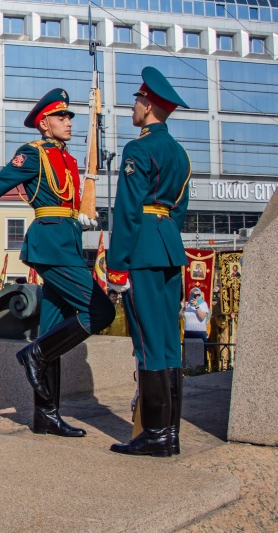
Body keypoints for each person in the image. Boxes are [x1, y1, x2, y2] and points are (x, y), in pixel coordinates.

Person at [0, 87, 114, 438]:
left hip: (68, 239)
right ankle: (33, 355)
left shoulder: (69, 159)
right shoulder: (33, 154)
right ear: (44, 124)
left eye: (70, 116)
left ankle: (47, 415)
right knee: (99, 311)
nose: (69, 122)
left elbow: (67, 198)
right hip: (50, 243)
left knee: (55, 327)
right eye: (61, 117)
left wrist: (82, 217)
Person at [106, 67, 192, 458]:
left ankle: (155, 434)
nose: (133, 106)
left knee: (147, 344)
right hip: (169, 246)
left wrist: (116, 265)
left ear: (149, 105)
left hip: (142, 247)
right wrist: (164, 236)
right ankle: (169, 433)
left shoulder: (137, 149)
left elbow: (127, 211)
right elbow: (180, 210)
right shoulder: (180, 152)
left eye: (138, 101)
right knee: (168, 343)